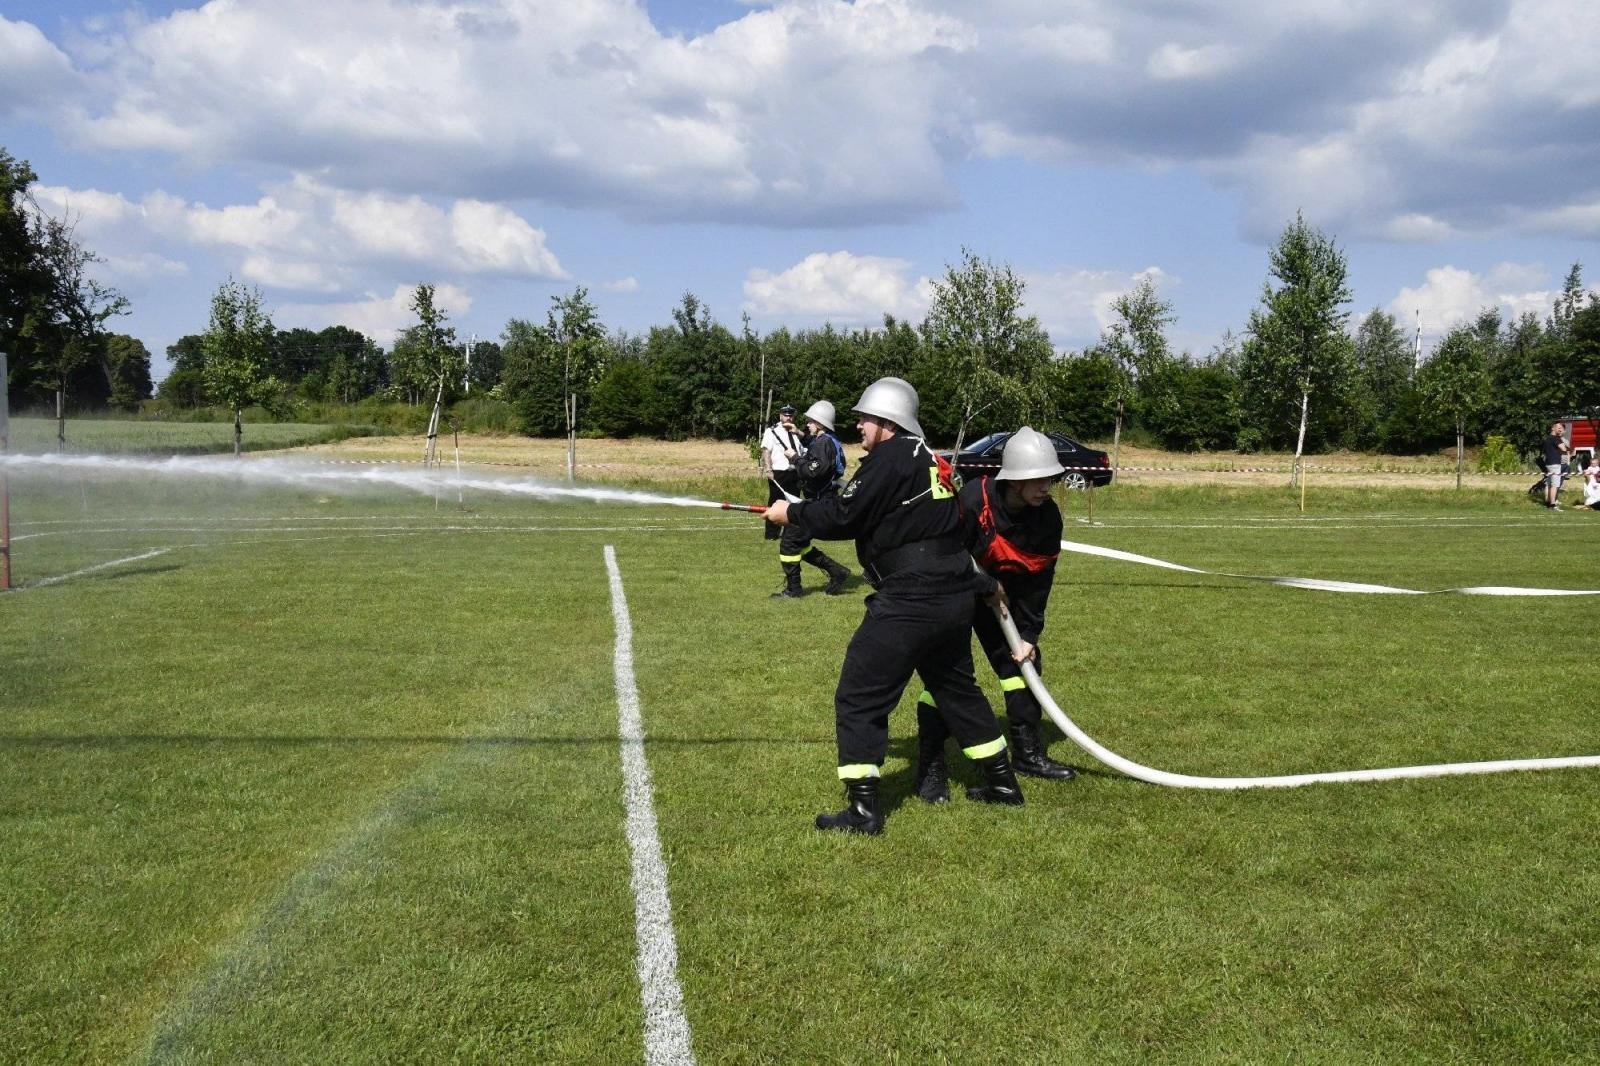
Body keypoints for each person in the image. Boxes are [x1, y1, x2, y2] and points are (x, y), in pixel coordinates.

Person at [764, 377, 1023, 835]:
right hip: (952, 598)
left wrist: (792, 513)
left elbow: (846, 514)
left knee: (860, 694)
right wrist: (978, 582)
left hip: (909, 600)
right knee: (956, 690)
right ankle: (1002, 783)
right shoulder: (934, 461)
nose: (858, 426)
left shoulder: (889, 458)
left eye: (865, 418)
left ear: (887, 421)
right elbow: (963, 523)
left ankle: (863, 811)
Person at [913, 427, 1076, 803]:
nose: (1046, 487)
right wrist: (980, 587)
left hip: (1002, 602)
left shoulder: (1047, 518)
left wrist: (1030, 634)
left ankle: (1028, 753)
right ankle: (932, 768)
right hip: (955, 595)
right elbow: (945, 552)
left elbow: (1039, 580)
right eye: (1038, 480)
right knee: (947, 679)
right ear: (1014, 480)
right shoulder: (974, 498)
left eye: (1050, 478)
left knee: (1023, 669)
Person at [772, 400, 853, 598]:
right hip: (820, 501)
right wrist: (798, 433)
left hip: (817, 503)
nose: (807, 424)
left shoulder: (823, 443)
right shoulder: (827, 439)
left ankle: (794, 589)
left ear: (819, 422)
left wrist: (794, 458)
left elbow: (813, 471)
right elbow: (813, 446)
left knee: (789, 542)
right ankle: (837, 571)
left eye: (810, 421)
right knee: (799, 542)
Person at [759, 405, 804, 538]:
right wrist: (768, 469)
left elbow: (803, 447)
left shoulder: (796, 432)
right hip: (779, 472)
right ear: (780, 416)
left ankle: (789, 533)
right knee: (774, 502)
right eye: (786, 414)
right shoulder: (772, 431)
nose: (788, 417)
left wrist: (798, 432)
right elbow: (766, 450)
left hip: (795, 472)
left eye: (791, 415)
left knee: (793, 503)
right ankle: (771, 533)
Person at [1541, 421, 1569, 510]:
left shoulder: (1547, 438)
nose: (1560, 430)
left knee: (1548, 483)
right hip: (1555, 463)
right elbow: (1564, 448)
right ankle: (1553, 504)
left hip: (1548, 463)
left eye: (1561, 428)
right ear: (1553, 428)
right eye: (1558, 428)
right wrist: (1561, 438)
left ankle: (1547, 502)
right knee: (1555, 485)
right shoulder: (1556, 438)